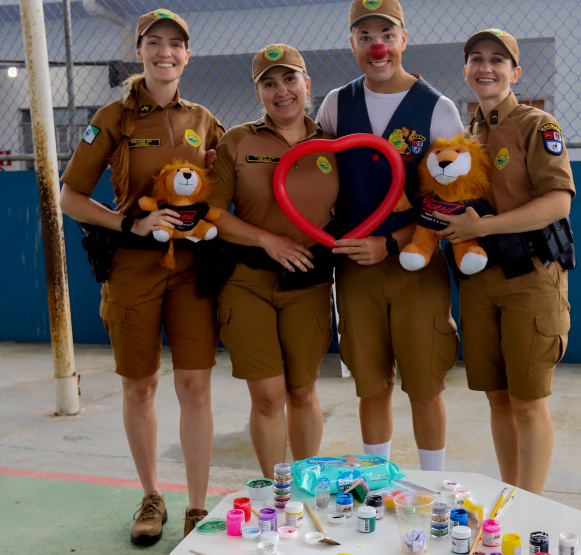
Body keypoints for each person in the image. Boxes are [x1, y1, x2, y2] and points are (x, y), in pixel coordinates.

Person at [58, 9, 223, 545]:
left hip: (192, 267)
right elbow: (70, 197)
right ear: (141, 50)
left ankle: (198, 507)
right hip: (132, 267)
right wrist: (131, 221)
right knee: (141, 386)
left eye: (176, 44)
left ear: (188, 55)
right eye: (155, 43)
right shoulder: (112, 117)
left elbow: (224, 181)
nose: (165, 52)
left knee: (196, 385)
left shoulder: (203, 118)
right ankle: (152, 495)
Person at [315, 0, 463, 471]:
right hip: (355, 271)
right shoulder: (336, 103)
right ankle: (378, 485)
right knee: (371, 384)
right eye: (364, 36)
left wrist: (395, 241)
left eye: (386, 33)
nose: (376, 45)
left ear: (403, 38)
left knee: (424, 385)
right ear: (353, 44)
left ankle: (434, 487)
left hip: (417, 268)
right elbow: (313, 178)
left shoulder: (438, 109)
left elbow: (452, 201)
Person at [435, 29, 575, 494]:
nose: (485, 67)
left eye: (498, 60)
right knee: (497, 399)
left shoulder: (538, 125)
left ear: (515, 72)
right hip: (479, 282)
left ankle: (531, 506)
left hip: (530, 279)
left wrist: (482, 229)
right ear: (466, 70)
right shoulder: (465, 137)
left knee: (528, 401)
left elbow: (558, 203)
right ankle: (510, 497)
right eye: (476, 58)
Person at [208, 44, 337, 478]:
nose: (281, 91)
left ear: (307, 84)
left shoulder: (333, 146)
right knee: (266, 396)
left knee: (301, 391)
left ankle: (306, 485)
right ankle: (277, 495)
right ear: (258, 92)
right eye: (269, 83)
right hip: (247, 282)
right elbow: (213, 212)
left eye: (289, 79)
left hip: (309, 284)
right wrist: (268, 240)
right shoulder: (238, 141)